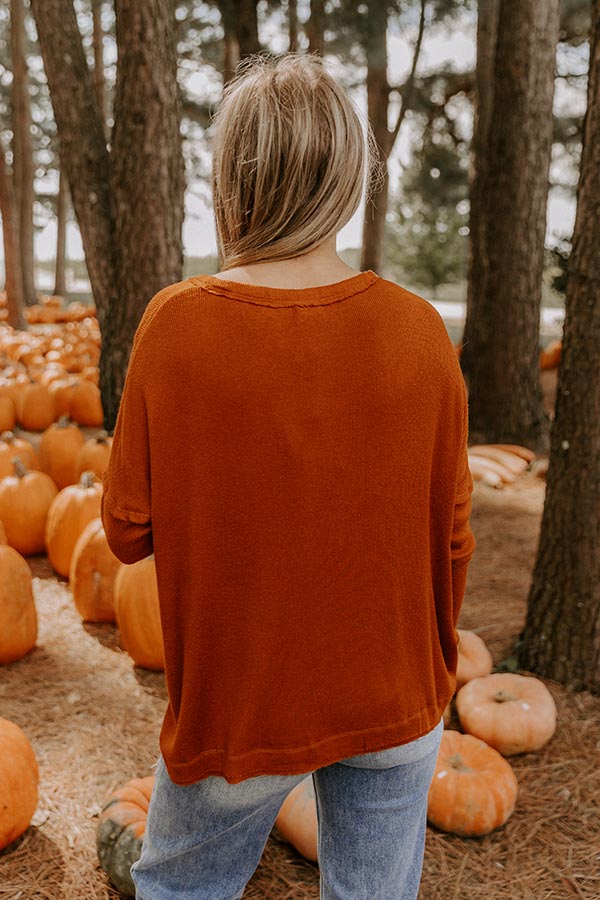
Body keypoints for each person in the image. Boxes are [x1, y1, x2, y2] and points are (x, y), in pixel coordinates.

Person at [101, 52, 476, 900]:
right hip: (399, 696)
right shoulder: (420, 333)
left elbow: (126, 533)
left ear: (232, 181)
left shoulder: (178, 327)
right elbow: (453, 535)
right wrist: (428, 672)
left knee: (180, 887)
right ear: (349, 177)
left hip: (245, 705)